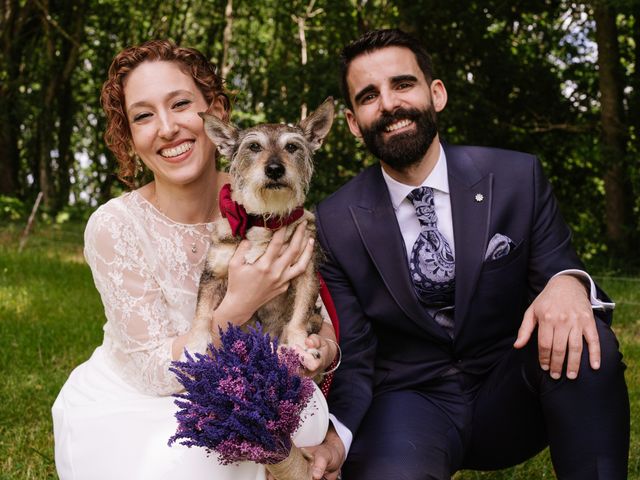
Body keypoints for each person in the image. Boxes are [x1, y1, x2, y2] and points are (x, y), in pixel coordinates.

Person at [308, 29, 629, 480]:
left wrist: (569, 283)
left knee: (587, 338)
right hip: (410, 405)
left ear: (435, 93)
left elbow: (560, 270)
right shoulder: (334, 221)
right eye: (368, 96)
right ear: (353, 121)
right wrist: (337, 436)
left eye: (403, 84)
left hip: (514, 388)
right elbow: (356, 354)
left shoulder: (518, 177)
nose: (389, 104)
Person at [51, 40, 338, 480]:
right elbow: (153, 375)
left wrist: (325, 349)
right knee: (196, 460)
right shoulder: (115, 227)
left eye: (180, 103)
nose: (166, 128)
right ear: (130, 136)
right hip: (146, 401)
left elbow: (312, 305)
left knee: (300, 420)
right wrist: (240, 302)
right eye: (143, 115)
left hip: (250, 381)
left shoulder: (272, 205)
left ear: (217, 113)